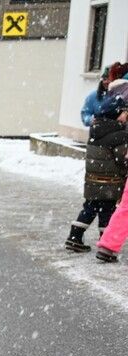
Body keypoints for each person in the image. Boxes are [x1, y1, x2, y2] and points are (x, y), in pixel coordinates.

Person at [64, 97, 128, 254]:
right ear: (117, 114)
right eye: (125, 113)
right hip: (110, 181)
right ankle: (105, 242)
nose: (126, 116)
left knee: (89, 208)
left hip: (93, 179)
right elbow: (121, 158)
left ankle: (75, 236)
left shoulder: (96, 129)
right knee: (107, 210)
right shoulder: (119, 134)